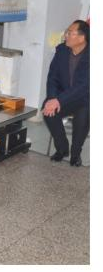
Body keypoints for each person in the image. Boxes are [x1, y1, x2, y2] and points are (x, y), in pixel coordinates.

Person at [43, 19, 90, 166]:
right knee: (48, 110)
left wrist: (59, 100)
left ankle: (76, 154)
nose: (65, 36)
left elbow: (84, 86)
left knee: (83, 115)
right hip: (64, 96)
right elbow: (52, 77)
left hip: (85, 98)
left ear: (82, 37)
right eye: (66, 32)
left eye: (70, 33)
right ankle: (62, 148)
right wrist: (52, 98)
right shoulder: (62, 50)